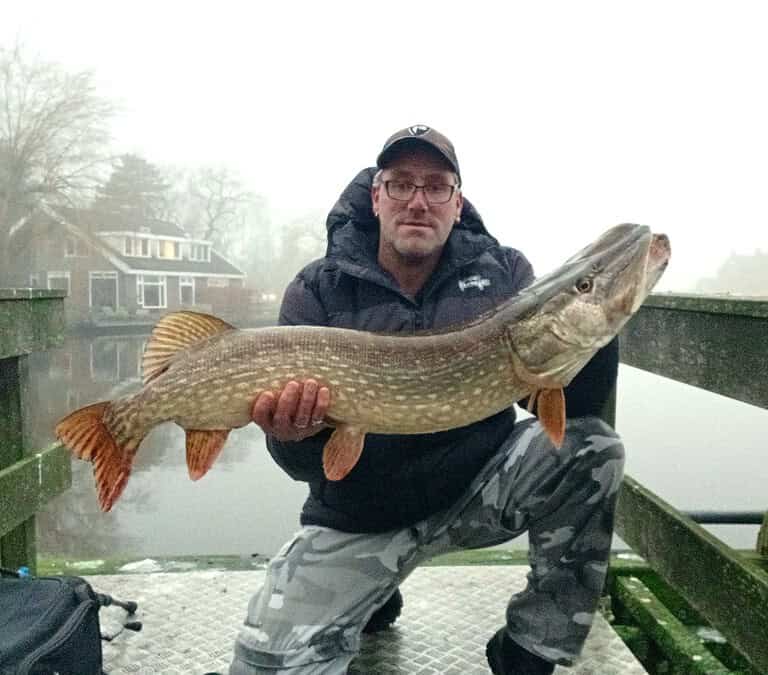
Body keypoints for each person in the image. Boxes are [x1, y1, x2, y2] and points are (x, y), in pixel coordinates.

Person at [228, 125, 623, 675]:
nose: (418, 201)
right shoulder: (318, 289)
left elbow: (558, 407)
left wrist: (598, 331)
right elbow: (302, 464)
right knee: (263, 666)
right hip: (358, 517)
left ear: (457, 203)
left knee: (593, 448)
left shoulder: (506, 275)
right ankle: (371, 591)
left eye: (437, 187)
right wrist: (291, 433)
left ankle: (530, 647)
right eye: (401, 184)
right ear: (376, 195)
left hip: (476, 494)